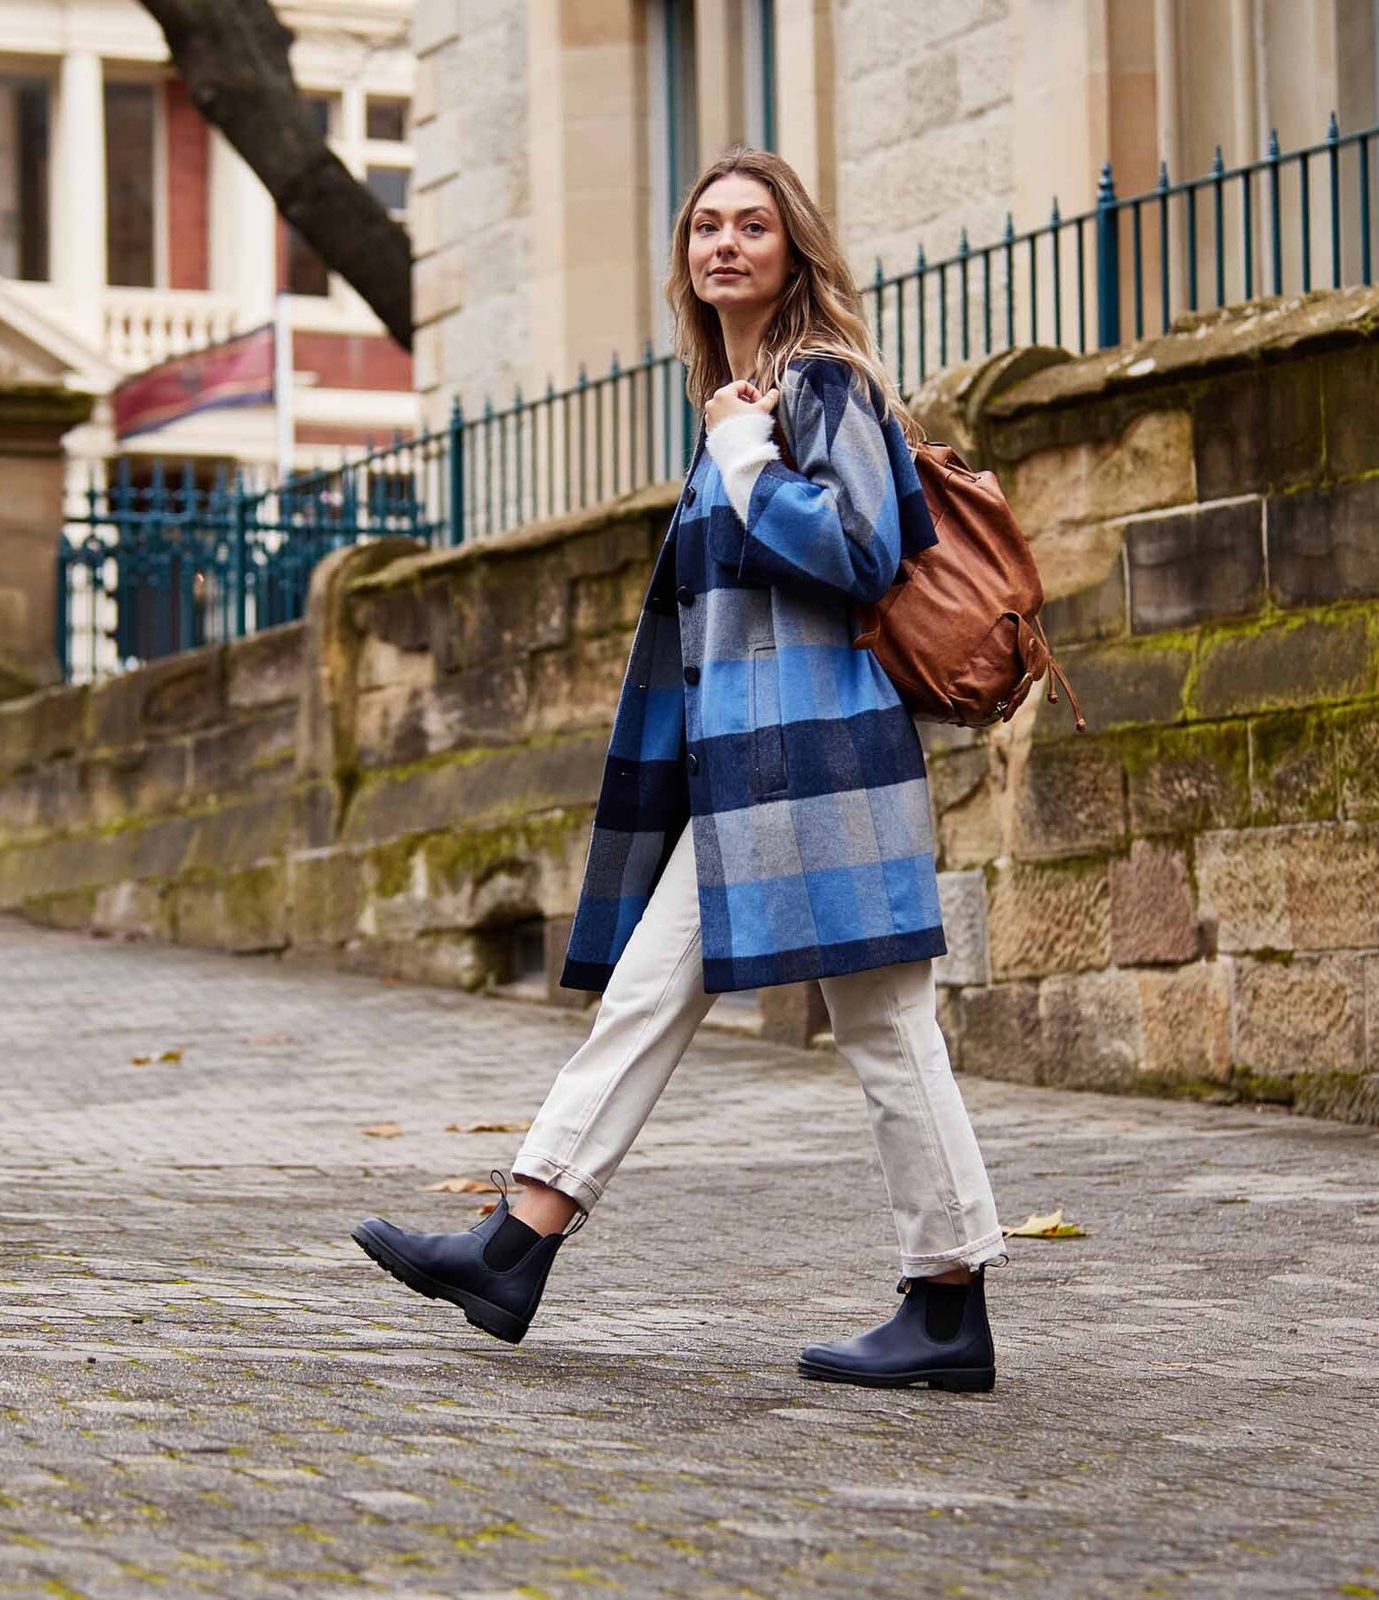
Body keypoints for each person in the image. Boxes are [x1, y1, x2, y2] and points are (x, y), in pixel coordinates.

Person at [354, 148, 1005, 1391]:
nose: (724, 245)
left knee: (884, 1026)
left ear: (793, 249)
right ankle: (516, 1242)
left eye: (752, 226)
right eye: (704, 225)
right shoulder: (742, 395)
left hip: (820, 768)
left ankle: (947, 1300)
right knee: (648, 996)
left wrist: (753, 459)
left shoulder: (822, 387)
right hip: (746, 779)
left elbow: (864, 550)